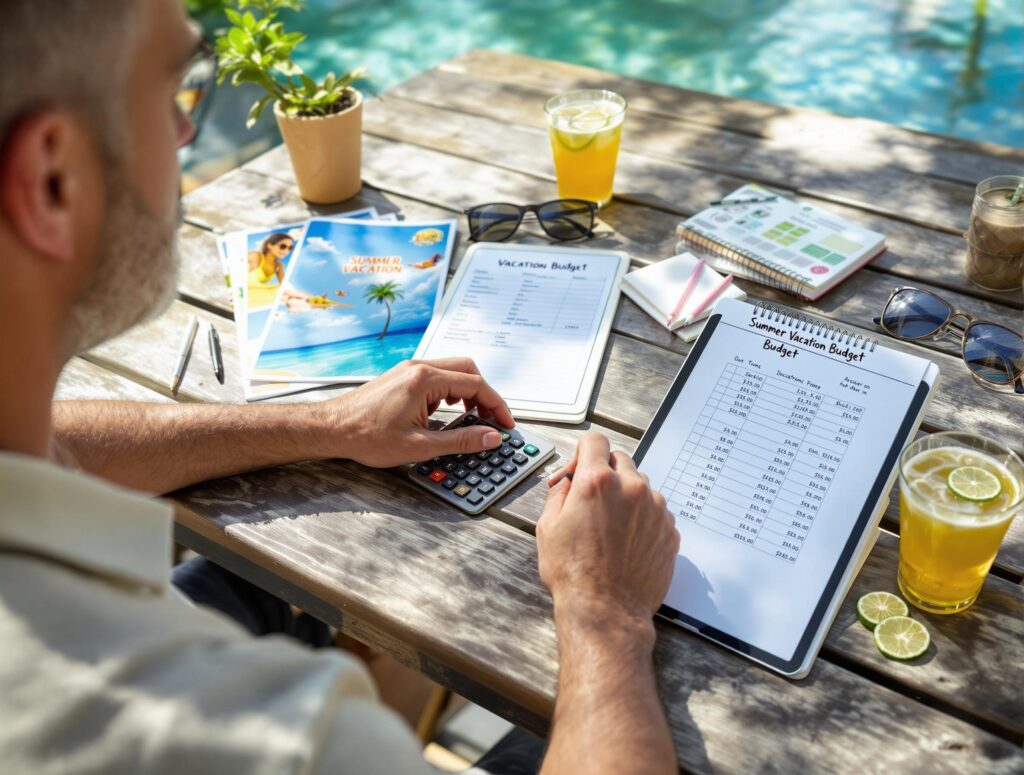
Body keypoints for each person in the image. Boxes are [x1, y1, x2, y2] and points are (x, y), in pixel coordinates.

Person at [0, 1, 681, 773]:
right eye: (175, 93)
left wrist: (328, 421)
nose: (189, 134)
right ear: (52, 181)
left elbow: (57, 442)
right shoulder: (254, 735)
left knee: (245, 578)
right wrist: (605, 613)